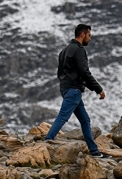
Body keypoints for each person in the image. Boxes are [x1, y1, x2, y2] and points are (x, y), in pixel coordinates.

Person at [43, 23, 106, 157]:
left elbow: (60, 73)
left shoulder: (64, 51)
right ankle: (47, 141)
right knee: (63, 116)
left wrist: (68, 84)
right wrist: (98, 89)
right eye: (89, 35)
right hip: (73, 90)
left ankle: (94, 151)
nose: (90, 38)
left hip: (67, 89)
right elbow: (84, 72)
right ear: (82, 34)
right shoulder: (79, 50)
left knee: (85, 120)